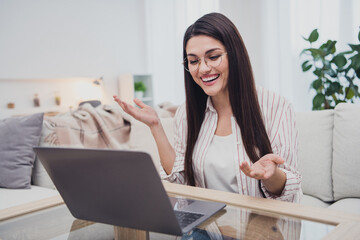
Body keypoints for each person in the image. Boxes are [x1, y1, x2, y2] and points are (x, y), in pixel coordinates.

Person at [114, 12, 302, 203]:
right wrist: (156, 127)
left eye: (213, 57)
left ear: (235, 55)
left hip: (263, 225)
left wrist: (270, 174)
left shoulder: (276, 106)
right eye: (194, 61)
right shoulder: (187, 114)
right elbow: (181, 184)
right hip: (210, 226)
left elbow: (287, 193)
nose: (203, 69)